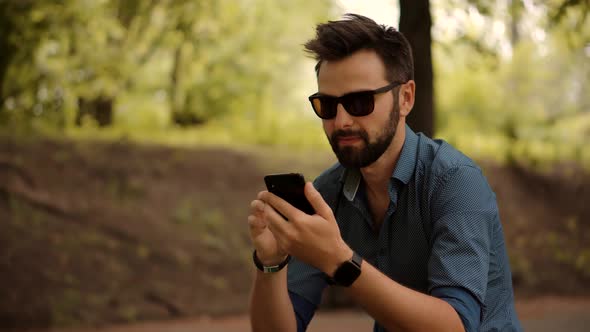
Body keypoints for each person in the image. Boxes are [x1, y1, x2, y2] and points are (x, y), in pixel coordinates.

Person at [247, 13, 522, 332]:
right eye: (327, 105)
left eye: (360, 101)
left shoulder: (454, 181)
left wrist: (340, 261)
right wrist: (271, 264)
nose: (342, 122)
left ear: (405, 98)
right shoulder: (328, 195)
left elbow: (456, 325)